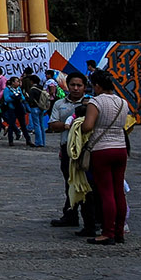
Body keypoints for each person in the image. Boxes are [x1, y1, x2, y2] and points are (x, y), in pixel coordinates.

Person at [80, 69, 130, 245]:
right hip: (121, 148)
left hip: (102, 149)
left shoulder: (96, 102)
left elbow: (87, 126)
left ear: (98, 85)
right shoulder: (123, 102)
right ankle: (119, 231)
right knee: (119, 192)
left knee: (106, 192)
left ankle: (107, 232)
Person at [49, 72, 97, 234]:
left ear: (85, 87)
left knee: (89, 184)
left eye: (79, 85)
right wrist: (69, 125)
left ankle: (93, 218)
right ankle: (70, 214)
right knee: (70, 182)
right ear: (67, 86)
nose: (76, 88)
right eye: (73, 85)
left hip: (87, 149)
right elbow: (53, 124)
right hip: (67, 148)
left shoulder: (93, 103)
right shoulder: (60, 104)